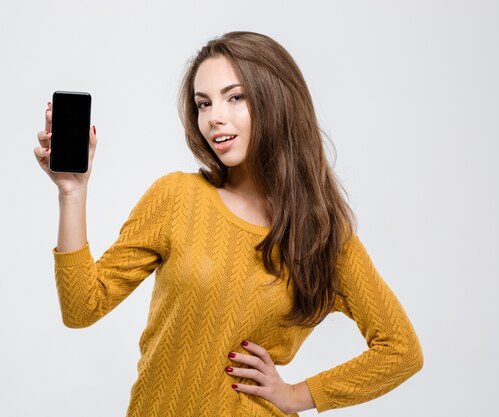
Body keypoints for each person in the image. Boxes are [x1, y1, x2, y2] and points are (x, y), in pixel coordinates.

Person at [34, 31, 424, 417]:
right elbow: (82, 307)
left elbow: (401, 350)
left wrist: (297, 395)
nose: (214, 118)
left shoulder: (321, 235)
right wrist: (72, 193)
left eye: (235, 97)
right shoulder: (177, 197)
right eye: (203, 104)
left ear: (277, 100)